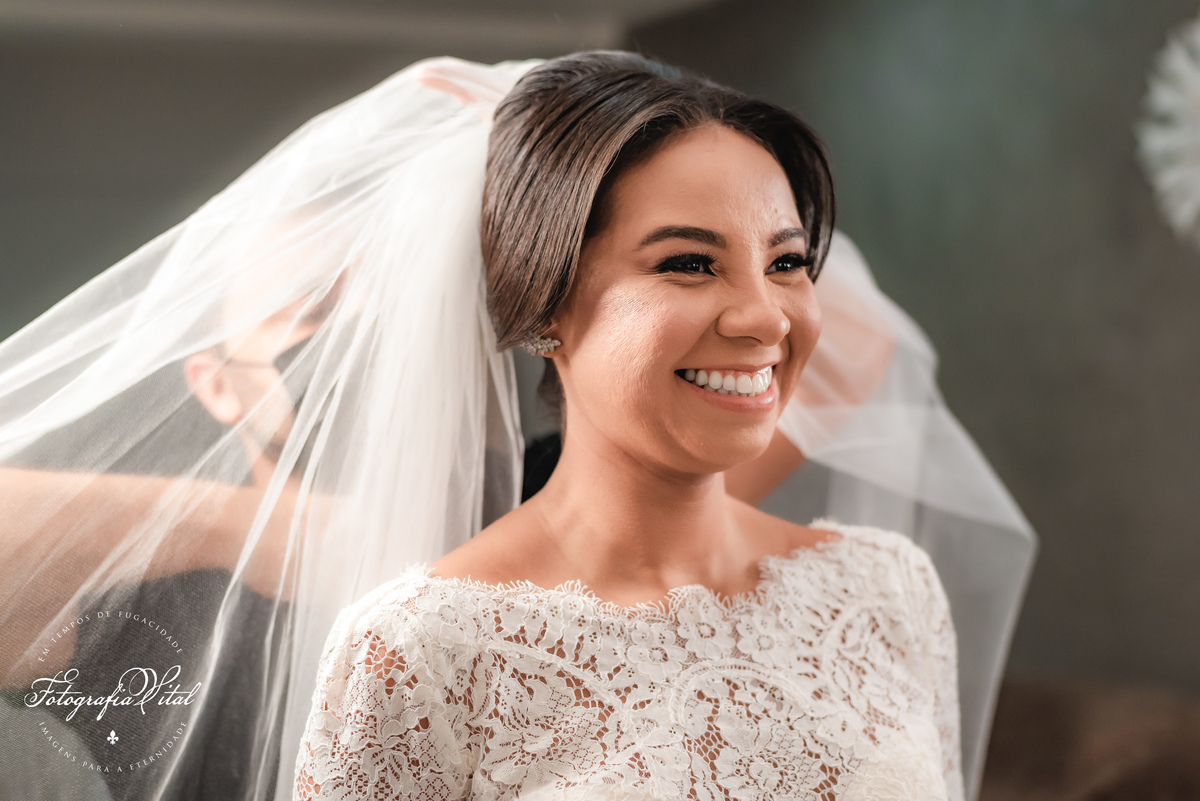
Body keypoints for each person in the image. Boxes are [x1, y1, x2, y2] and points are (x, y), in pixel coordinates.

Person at [0, 52, 1034, 801]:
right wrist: (270, 534)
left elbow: (848, 353)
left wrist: (539, 105)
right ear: (541, 308)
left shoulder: (887, 587)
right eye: (685, 260)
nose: (762, 313)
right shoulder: (409, 641)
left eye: (786, 260)